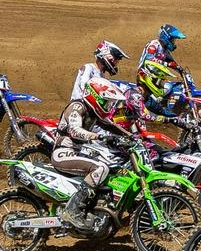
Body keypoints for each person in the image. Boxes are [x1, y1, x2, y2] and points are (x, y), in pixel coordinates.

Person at [51, 41, 139, 224]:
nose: (116, 63)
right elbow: (75, 131)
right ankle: (73, 211)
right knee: (101, 167)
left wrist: (130, 137)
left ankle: (99, 207)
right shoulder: (79, 103)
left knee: (111, 163)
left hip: (79, 148)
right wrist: (98, 135)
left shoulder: (95, 110)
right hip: (65, 149)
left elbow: (109, 124)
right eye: (115, 59)